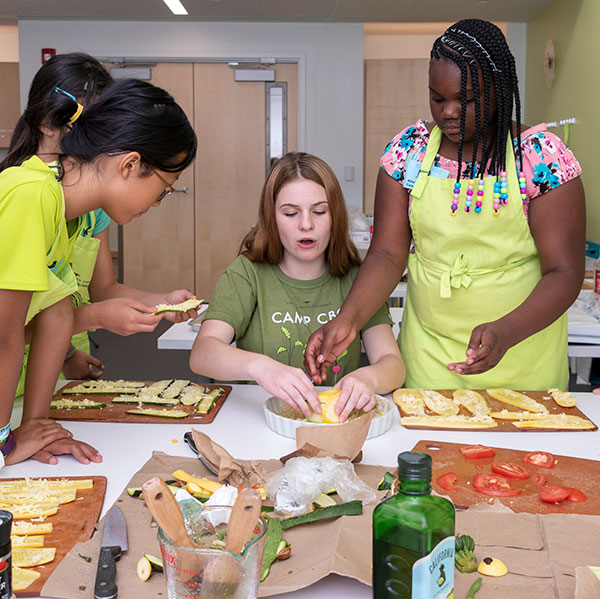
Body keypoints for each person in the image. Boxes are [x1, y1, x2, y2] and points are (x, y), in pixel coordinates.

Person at [305, 19, 585, 401]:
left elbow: (565, 272)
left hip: (523, 355)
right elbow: (387, 253)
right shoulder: (408, 153)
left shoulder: (541, 159)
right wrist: (348, 318)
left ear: (499, 90)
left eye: (467, 100)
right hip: (428, 358)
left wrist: (506, 331)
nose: (449, 112)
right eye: (438, 98)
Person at [0, 78, 197, 465]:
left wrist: (36, 427)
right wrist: (5, 444)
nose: (158, 203)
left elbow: (53, 318)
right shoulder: (31, 194)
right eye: (164, 189)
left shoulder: (60, 209)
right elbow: (4, 339)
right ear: (130, 164)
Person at [189, 152, 405, 422]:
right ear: (271, 218)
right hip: (257, 426)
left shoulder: (357, 279)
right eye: (291, 213)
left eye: (319, 212)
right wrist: (261, 368)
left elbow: (393, 364)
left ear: (335, 217)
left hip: (335, 430)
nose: (306, 224)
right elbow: (202, 353)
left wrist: (368, 378)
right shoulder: (246, 274)